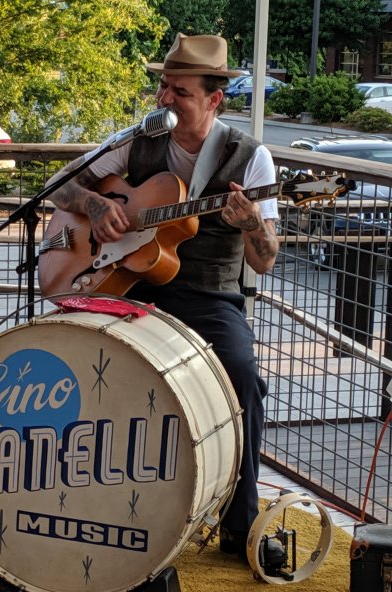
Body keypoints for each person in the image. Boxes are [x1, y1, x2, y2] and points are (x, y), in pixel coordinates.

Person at [45, 32, 280, 562]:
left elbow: (265, 260)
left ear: (214, 99)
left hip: (208, 296)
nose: (165, 99)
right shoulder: (139, 139)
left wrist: (250, 225)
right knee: (79, 362)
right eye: (164, 87)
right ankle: (80, 505)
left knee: (242, 377)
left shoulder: (251, 159)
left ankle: (239, 524)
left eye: (180, 92)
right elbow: (60, 184)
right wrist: (96, 206)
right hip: (129, 288)